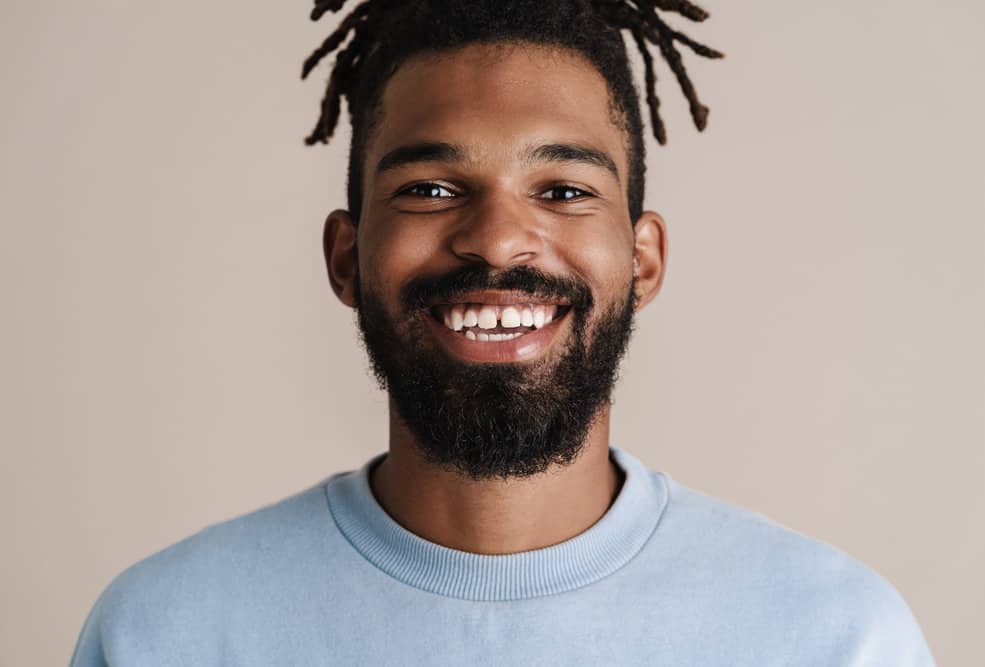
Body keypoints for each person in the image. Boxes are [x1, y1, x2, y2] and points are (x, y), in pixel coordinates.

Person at [71, 1, 937, 664]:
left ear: (644, 260)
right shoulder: (167, 632)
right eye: (431, 189)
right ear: (345, 256)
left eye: (562, 189)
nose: (494, 237)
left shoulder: (833, 639)